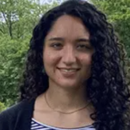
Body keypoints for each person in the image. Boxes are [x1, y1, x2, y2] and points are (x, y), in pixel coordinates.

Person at [0, 0, 130, 130]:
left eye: (82, 46)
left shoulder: (121, 122)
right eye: (57, 45)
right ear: (41, 52)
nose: (69, 59)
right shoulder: (8, 123)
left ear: (99, 53)